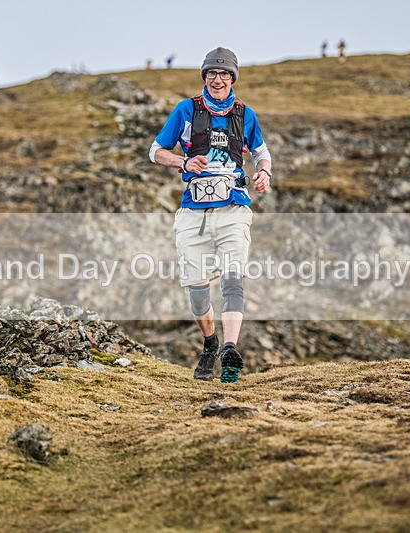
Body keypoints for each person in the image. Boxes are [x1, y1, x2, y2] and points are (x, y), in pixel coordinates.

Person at [149, 47, 272, 384]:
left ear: (233, 78)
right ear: (205, 77)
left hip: (233, 209)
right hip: (193, 215)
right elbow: (155, 151)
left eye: (225, 74)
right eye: (212, 74)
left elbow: (262, 154)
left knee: (233, 280)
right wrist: (183, 162)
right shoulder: (186, 110)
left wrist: (264, 173)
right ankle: (211, 343)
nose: (218, 80)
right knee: (199, 293)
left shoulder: (245, 114)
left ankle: (230, 350)